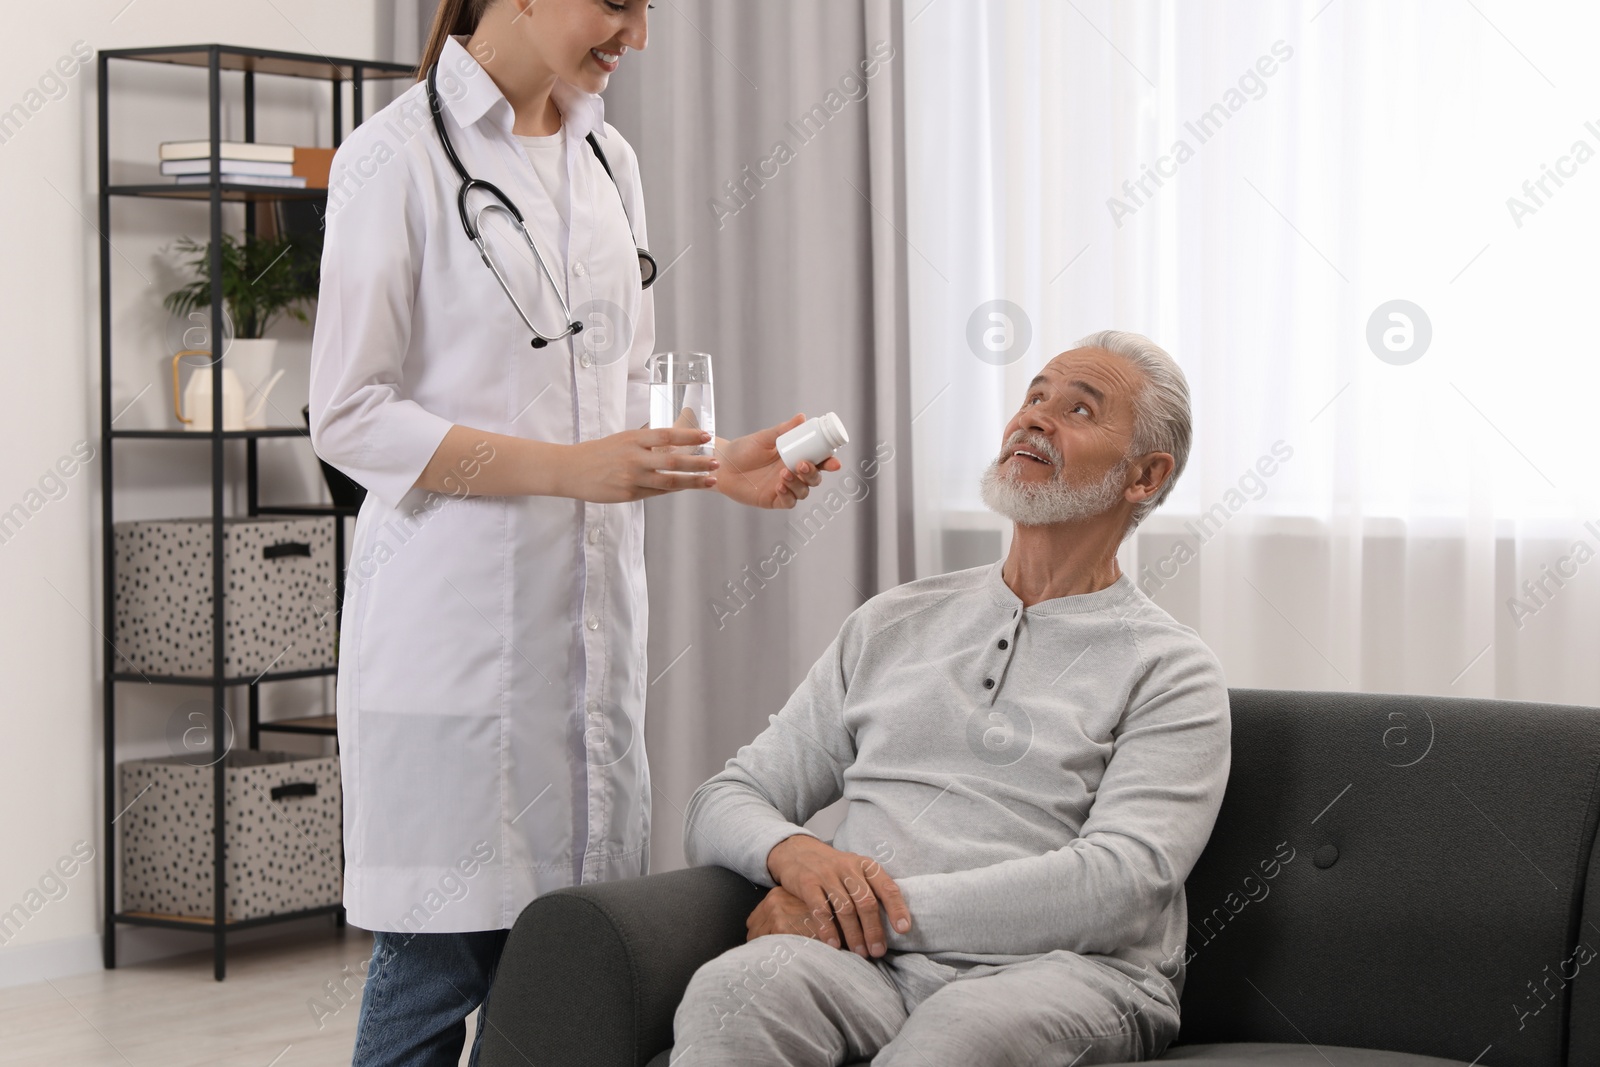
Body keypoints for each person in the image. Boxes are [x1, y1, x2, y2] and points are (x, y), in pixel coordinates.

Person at [307, 1, 839, 1063]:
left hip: (585, 641)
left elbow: (613, 384)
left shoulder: (608, 156)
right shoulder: (395, 155)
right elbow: (350, 412)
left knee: (560, 973)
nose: (636, 35)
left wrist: (713, 459)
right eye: (616, 4)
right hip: (450, 637)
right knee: (436, 961)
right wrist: (570, 472)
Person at [669, 330, 1231, 1065]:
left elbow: (1120, 884)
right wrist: (796, 854)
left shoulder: (1172, 668)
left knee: (955, 1040)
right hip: (866, 968)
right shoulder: (891, 621)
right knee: (732, 991)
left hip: (1069, 975)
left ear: (1145, 476)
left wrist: (859, 914)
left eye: (1080, 409)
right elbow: (725, 797)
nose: (1034, 417)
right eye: (1034, 396)